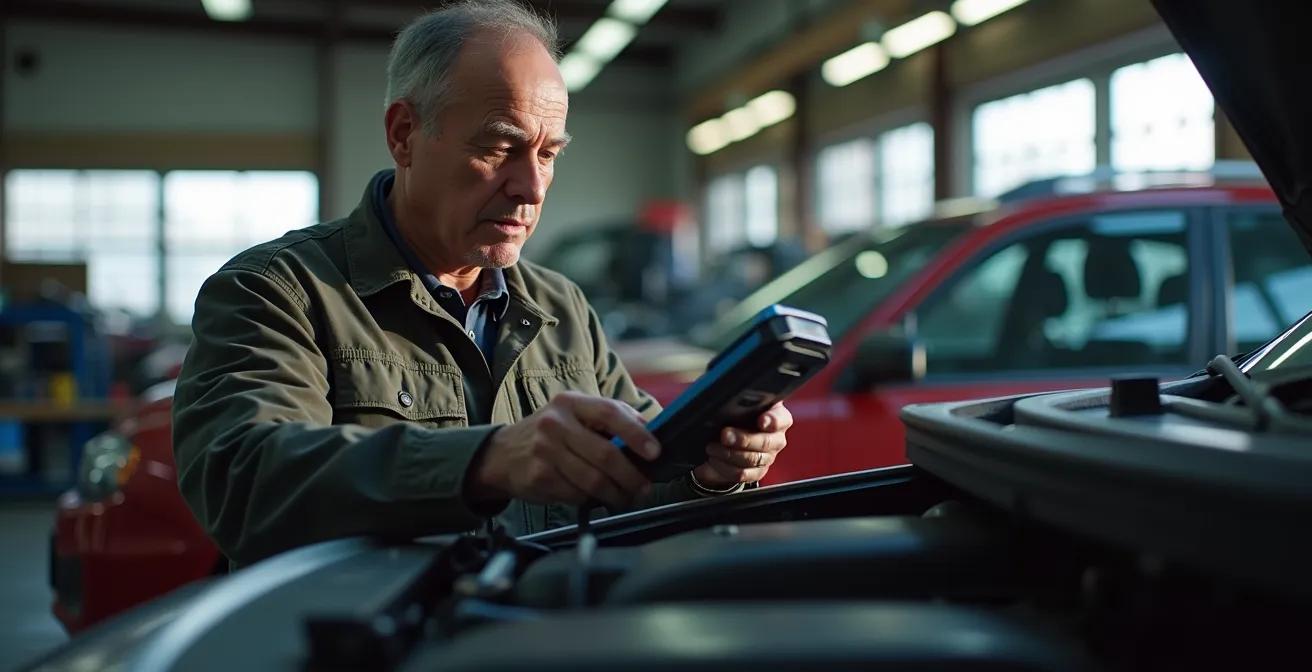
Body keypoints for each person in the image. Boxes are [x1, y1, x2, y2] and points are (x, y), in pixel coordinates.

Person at [171, 0, 793, 569]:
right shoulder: (279, 292)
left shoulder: (562, 309)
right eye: (500, 146)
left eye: (548, 154)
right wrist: (488, 460)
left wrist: (709, 470)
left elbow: (638, 478)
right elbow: (244, 481)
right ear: (403, 134)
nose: (533, 187)